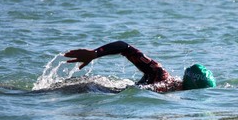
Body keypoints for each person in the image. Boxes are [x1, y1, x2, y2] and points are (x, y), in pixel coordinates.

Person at [64, 40, 216, 93]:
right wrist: (95, 54)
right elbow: (125, 46)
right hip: (90, 89)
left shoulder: (170, 92)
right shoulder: (160, 75)